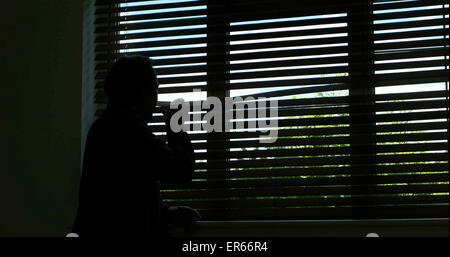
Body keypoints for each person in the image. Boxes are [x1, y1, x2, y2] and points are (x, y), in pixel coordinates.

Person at [72, 55, 200, 237]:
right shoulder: (128, 129)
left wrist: (166, 213)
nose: (157, 98)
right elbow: (182, 169)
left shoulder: (103, 127)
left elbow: (119, 201)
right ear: (143, 92)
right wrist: (175, 124)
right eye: (156, 89)